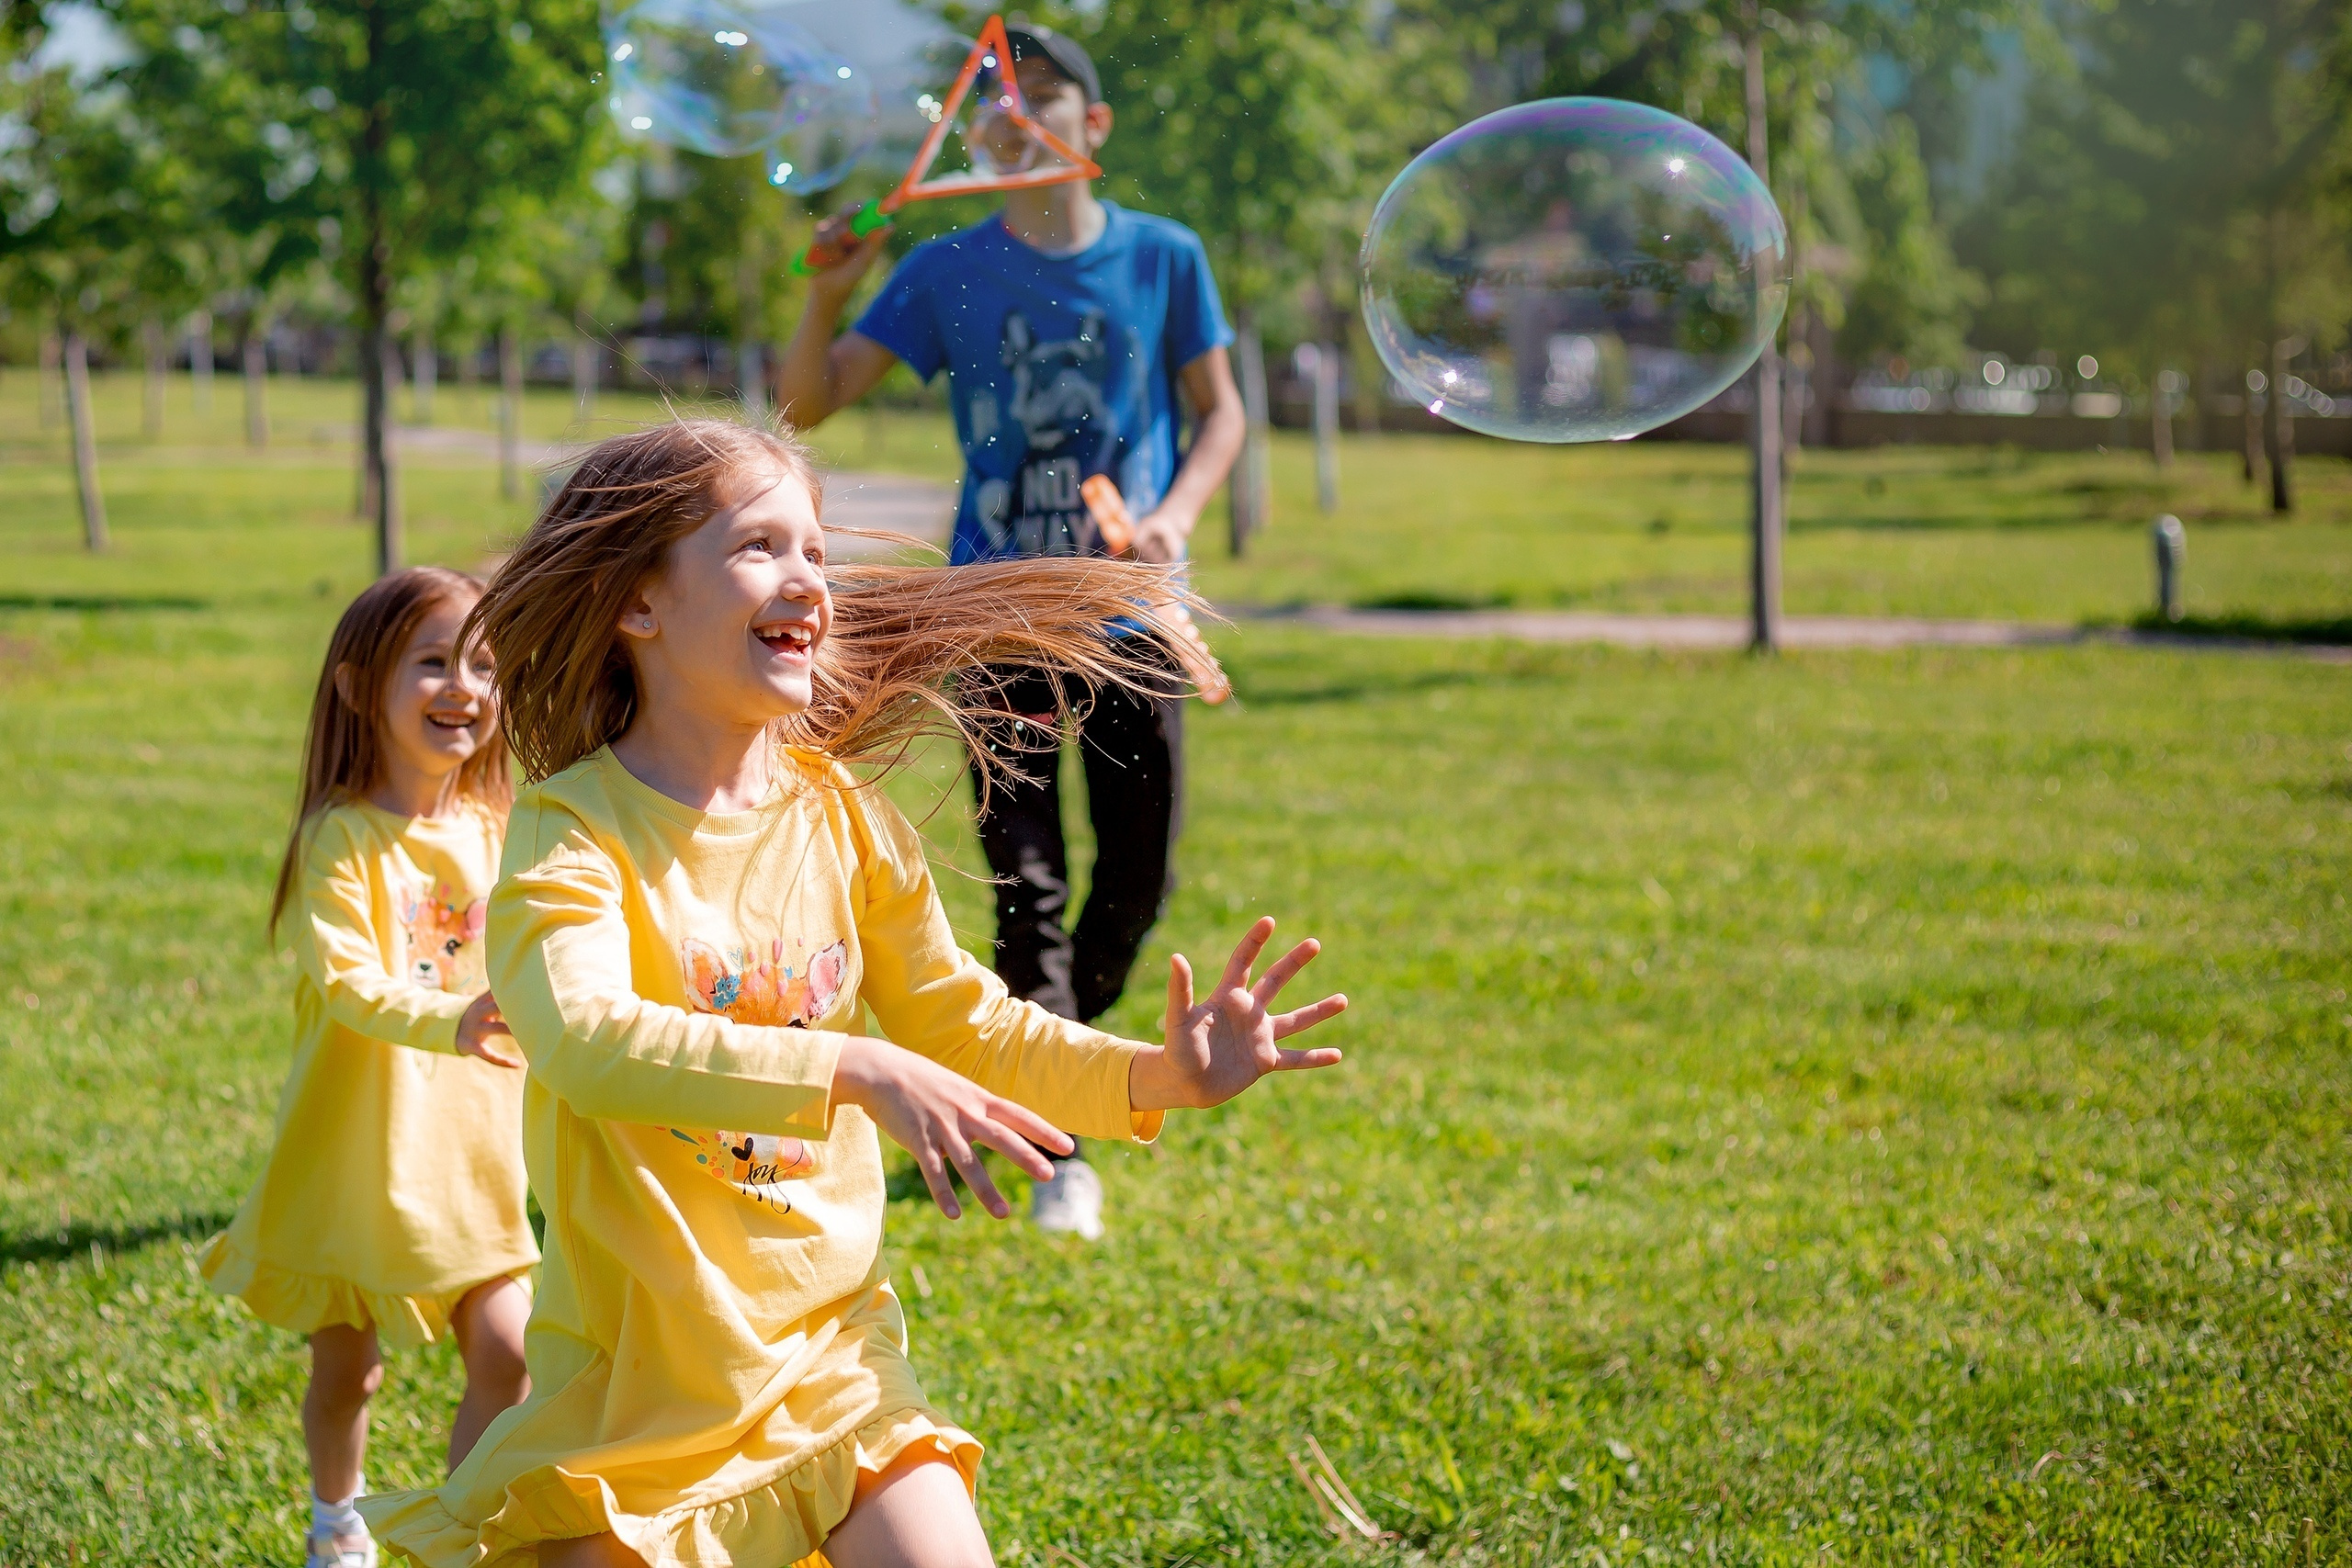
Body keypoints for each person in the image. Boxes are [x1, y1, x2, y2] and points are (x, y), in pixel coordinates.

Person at [360, 419, 1342, 1568]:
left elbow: (964, 1021)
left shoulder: (840, 818)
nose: (808, 582)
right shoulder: (571, 832)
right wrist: (849, 1067)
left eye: (816, 551)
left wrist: (1157, 1077)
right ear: (638, 604)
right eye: (759, 547)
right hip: (639, 1408)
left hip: (836, 1371)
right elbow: (584, 1039)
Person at [775, 22, 1247, 1239]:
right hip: (995, 610)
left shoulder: (1164, 258)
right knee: (1027, 880)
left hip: (1129, 609)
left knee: (1139, 877)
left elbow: (1222, 415)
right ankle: (1061, 1143)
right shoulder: (946, 270)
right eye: (997, 101)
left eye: (1045, 98)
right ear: (976, 136)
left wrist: (1174, 514)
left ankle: (1048, 1061)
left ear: (1095, 129)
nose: (1015, 115)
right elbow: (809, 400)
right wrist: (827, 282)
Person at [200, 567, 537, 1568]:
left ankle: (455, 1532)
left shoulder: (501, 828)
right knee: (349, 1373)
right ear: (357, 689)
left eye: (482, 664)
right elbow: (350, 985)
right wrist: (457, 1015)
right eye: (431, 662)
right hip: (364, 1157)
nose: (463, 687)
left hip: (477, 1156)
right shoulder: (341, 842)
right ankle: (337, 1516)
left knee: (510, 1355)